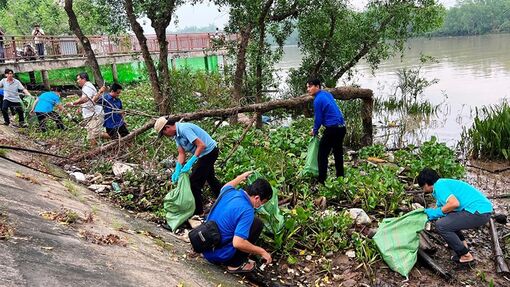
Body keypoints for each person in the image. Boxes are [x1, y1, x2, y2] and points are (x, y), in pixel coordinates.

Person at [417, 168, 493, 264]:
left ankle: (465, 255)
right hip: (482, 210)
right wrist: (430, 213)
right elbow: (440, 208)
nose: (423, 190)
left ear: (426, 184)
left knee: (441, 225)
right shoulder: (441, 185)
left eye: (422, 187)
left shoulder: (440, 186)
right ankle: (463, 245)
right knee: (447, 217)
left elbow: (454, 203)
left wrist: (434, 214)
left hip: (479, 212)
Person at [202, 171, 273, 273]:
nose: (261, 205)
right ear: (257, 198)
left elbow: (227, 186)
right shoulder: (247, 210)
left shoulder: (230, 192)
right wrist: (262, 251)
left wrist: (241, 177)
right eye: (263, 202)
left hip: (205, 245)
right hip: (216, 254)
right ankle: (234, 264)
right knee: (257, 224)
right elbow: (238, 243)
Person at [154, 117, 222, 216]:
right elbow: (181, 153)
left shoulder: (184, 129)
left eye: (164, 134)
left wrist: (191, 162)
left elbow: (201, 145)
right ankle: (224, 198)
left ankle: (198, 212)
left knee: (194, 183)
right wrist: (177, 169)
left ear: (167, 128)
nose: (165, 136)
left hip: (210, 152)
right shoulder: (176, 136)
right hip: (203, 155)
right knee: (210, 178)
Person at [307, 78, 346, 183]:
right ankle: (340, 177)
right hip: (342, 127)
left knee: (322, 154)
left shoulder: (318, 100)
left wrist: (314, 131)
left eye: (310, 86)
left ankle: (322, 180)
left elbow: (318, 118)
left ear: (318, 86)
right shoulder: (327, 94)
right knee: (338, 152)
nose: (308, 89)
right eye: (307, 87)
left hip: (332, 129)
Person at [66, 72, 104, 147]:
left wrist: (73, 103)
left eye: (78, 79)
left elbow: (85, 99)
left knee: (94, 134)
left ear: (84, 79)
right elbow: (89, 99)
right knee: (91, 136)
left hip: (95, 114)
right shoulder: (86, 87)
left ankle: (114, 137)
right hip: (90, 114)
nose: (77, 81)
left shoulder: (87, 86)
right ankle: (94, 151)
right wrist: (81, 106)